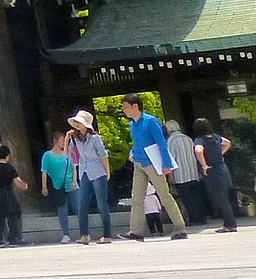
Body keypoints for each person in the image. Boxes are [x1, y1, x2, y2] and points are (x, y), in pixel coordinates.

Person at [121, 94, 189, 242]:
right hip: (139, 163)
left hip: (153, 162)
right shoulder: (132, 124)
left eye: (126, 107)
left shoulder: (151, 121)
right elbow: (136, 143)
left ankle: (180, 228)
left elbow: (161, 143)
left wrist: (166, 164)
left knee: (164, 196)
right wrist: (132, 153)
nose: (124, 110)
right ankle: (136, 231)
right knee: (137, 198)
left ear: (135, 106)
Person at [66, 110, 113, 244]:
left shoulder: (95, 139)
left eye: (80, 123)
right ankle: (84, 235)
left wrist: (107, 172)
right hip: (84, 172)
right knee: (82, 204)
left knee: (101, 204)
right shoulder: (75, 139)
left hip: (97, 171)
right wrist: (67, 139)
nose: (78, 125)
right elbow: (67, 155)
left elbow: (103, 156)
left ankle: (107, 235)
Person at [0, 143, 29, 247]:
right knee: (14, 215)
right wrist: (25, 187)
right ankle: (13, 238)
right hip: (7, 193)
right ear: (8, 156)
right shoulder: (10, 168)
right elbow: (18, 182)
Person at [165, 120, 207, 226]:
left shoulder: (171, 141)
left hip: (181, 175)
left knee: (187, 199)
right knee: (196, 197)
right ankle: (201, 218)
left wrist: (171, 176)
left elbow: (171, 160)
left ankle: (194, 219)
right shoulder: (188, 139)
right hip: (193, 173)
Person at [40, 130, 76, 244]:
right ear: (55, 141)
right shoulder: (47, 155)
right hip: (58, 186)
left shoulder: (66, 154)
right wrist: (44, 186)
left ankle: (85, 232)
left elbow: (73, 168)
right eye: (61, 140)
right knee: (62, 210)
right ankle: (66, 234)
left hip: (70, 183)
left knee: (78, 206)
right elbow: (44, 171)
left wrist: (74, 181)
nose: (62, 143)